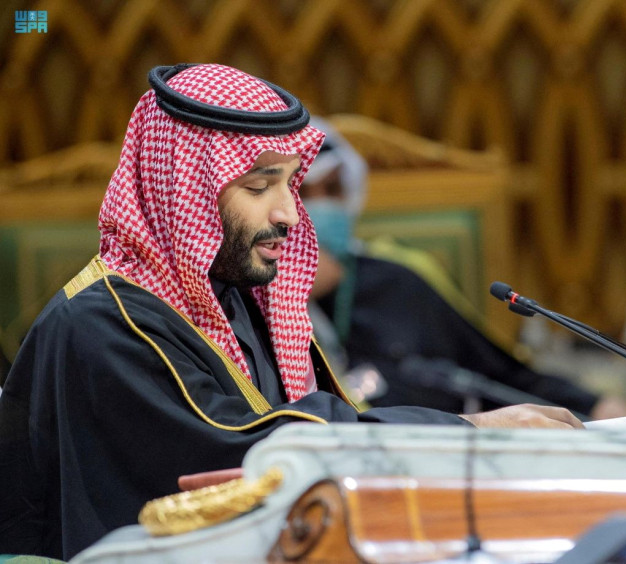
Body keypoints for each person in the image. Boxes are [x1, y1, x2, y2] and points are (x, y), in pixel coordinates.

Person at [0, 64, 582, 561]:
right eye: (259, 187)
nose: (291, 215)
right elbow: (251, 456)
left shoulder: (232, 298)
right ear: (186, 193)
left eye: (290, 185)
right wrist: (464, 432)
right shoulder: (104, 325)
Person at [303, 117, 626, 420]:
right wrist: (295, 295)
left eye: (333, 190)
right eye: (303, 192)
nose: (322, 206)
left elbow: (495, 375)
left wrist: (592, 405)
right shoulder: (256, 298)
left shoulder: (396, 280)